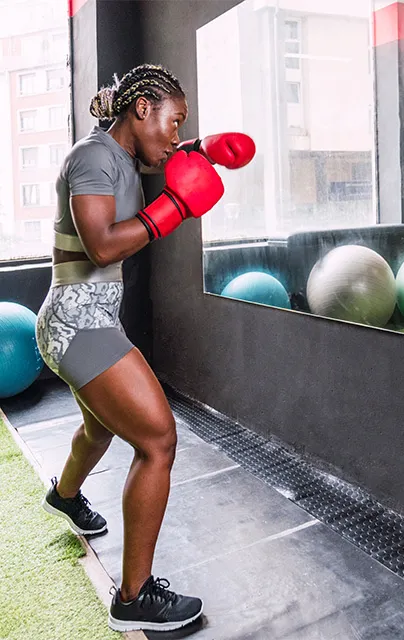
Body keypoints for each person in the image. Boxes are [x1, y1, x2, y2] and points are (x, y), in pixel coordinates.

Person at [36, 63, 255, 632]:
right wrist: (178, 208)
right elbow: (103, 246)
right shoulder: (91, 157)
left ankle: (64, 495)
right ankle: (134, 598)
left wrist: (202, 150)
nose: (177, 135)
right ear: (141, 109)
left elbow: (155, 173)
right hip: (77, 321)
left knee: (100, 427)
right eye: (175, 122)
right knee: (158, 439)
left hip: (88, 318)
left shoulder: (122, 158)